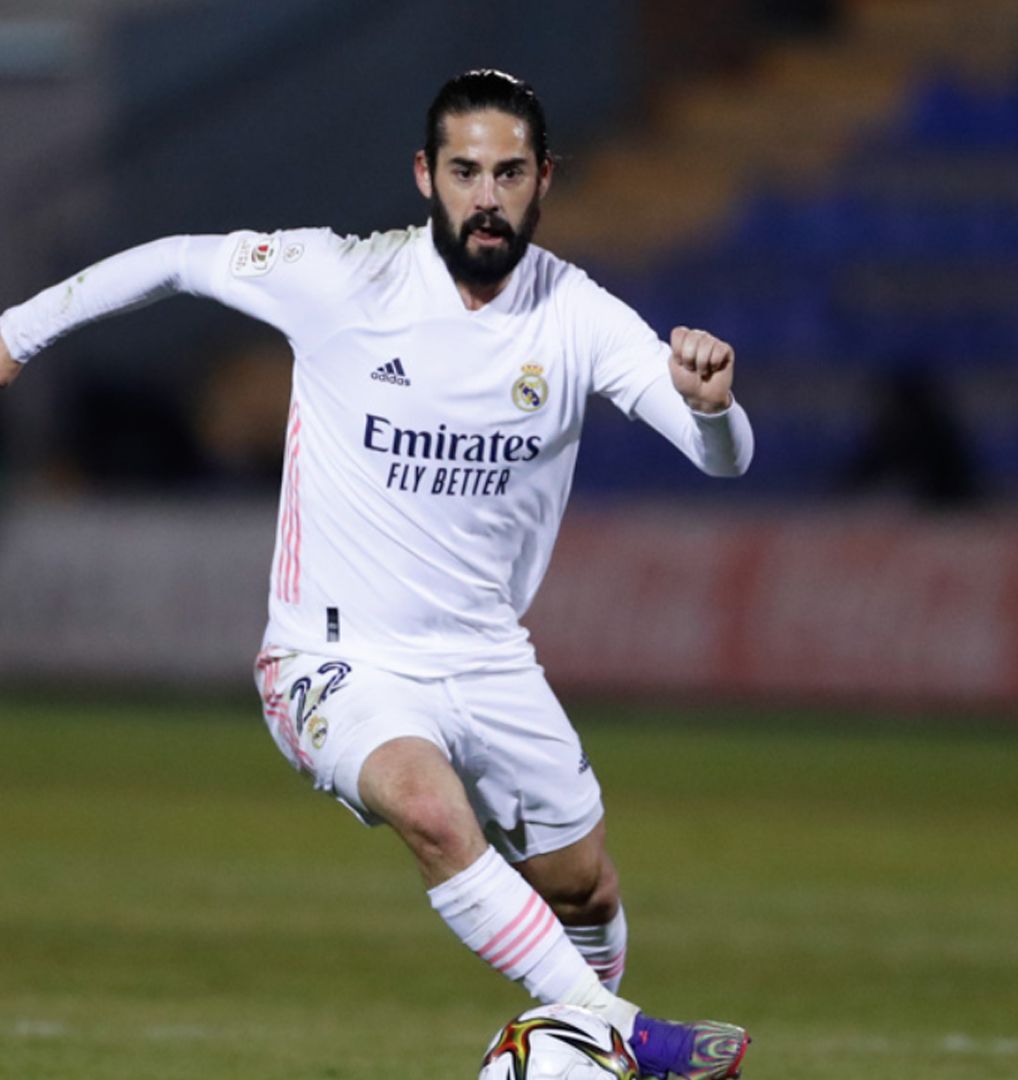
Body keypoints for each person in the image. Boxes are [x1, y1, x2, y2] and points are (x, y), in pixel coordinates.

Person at [0, 70, 752, 1080]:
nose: (487, 196)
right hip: (332, 656)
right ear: (424, 176)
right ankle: (629, 1038)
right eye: (465, 171)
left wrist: (709, 405)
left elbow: (721, 458)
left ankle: (589, 1042)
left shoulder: (576, 318)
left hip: (488, 660)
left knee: (584, 891)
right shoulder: (341, 278)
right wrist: (13, 334)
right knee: (430, 810)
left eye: (510, 172)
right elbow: (179, 260)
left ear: (545, 181)